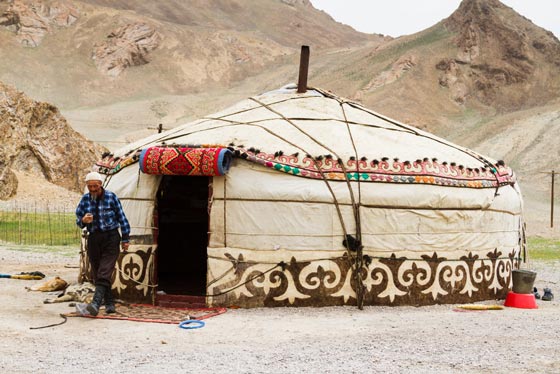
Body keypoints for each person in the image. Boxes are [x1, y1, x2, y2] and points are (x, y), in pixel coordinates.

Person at [75, 171, 130, 316]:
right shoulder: (86, 199)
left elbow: (122, 218)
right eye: (90, 186)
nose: (92, 189)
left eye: (95, 186)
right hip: (94, 238)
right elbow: (78, 217)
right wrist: (83, 221)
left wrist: (125, 238)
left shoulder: (111, 197)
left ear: (101, 185)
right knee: (98, 271)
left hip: (111, 237)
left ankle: (95, 302)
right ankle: (110, 303)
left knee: (105, 270)